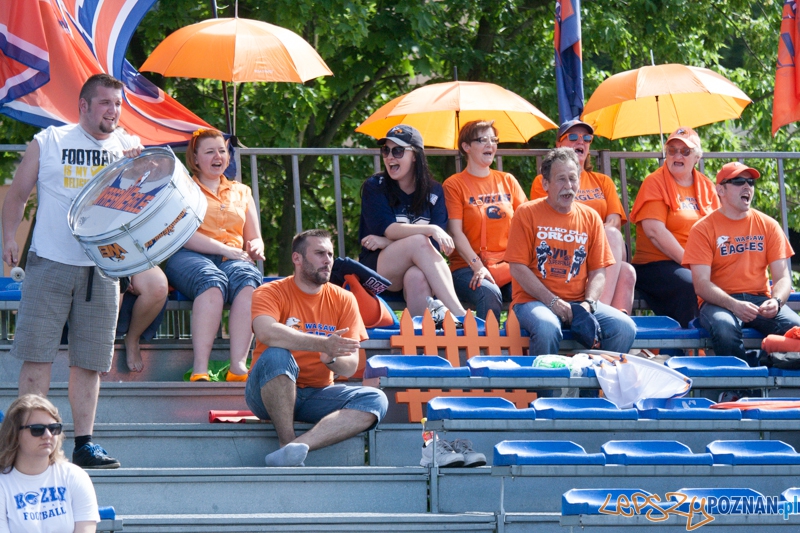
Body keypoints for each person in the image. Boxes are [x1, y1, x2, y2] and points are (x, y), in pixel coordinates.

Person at [2, 73, 143, 469]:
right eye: (104, 103)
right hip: (49, 261)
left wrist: (139, 167)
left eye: (118, 104)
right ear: (83, 105)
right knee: (37, 356)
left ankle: (84, 443)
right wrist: (8, 238)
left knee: (91, 361)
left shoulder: (129, 148)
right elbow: (16, 195)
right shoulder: (49, 141)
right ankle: (25, 442)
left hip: (102, 266)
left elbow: (142, 207)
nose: (113, 111)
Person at [246, 229, 388, 467]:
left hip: (317, 394)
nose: (328, 260)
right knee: (277, 353)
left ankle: (295, 449)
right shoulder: (269, 291)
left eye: (331, 254)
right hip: (265, 393)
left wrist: (330, 358)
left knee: (376, 399)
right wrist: (322, 342)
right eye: (320, 253)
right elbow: (266, 332)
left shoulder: (344, 298)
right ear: (297, 258)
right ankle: (286, 441)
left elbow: (351, 364)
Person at [505, 147, 636, 356]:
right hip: (532, 302)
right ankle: (546, 388)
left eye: (573, 179)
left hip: (578, 304)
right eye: (561, 179)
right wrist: (553, 302)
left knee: (625, 328)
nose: (568, 186)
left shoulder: (591, 217)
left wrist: (589, 303)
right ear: (545, 183)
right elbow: (517, 268)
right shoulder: (526, 213)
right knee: (548, 328)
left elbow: (599, 271)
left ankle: (594, 388)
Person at [164, 128, 264, 382]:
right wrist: (223, 249)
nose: (217, 156)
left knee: (247, 281)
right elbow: (181, 234)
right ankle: (200, 368)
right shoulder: (182, 188)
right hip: (189, 255)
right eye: (209, 152)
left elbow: (253, 236)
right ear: (195, 158)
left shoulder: (242, 191)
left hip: (232, 257)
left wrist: (256, 246)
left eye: (222, 151)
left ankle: (238, 367)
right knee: (211, 281)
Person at [683, 162, 800, 361]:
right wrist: (734, 305)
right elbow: (701, 285)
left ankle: (761, 362)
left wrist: (777, 301)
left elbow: (782, 278)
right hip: (719, 302)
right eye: (738, 181)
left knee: (796, 329)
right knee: (725, 328)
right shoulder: (702, 228)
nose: (747, 187)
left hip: (760, 299)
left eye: (750, 182)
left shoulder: (769, 225)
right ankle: (738, 389)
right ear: (720, 190)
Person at [359, 124, 468, 318]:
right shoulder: (375, 186)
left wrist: (387, 242)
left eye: (398, 150)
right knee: (420, 241)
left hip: (417, 268)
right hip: (379, 270)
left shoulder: (434, 191)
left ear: (415, 155)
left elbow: (435, 244)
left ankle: (422, 343)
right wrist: (429, 229)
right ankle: (461, 316)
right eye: (386, 150)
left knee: (416, 277)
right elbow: (389, 229)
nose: (390, 156)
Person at [530, 120, 636, 313]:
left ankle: (605, 323)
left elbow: (614, 220)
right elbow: (546, 219)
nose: (581, 141)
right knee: (626, 271)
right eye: (573, 137)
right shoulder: (545, 182)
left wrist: (594, 235)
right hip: (565, 245)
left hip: (600, 246)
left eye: (586, 138)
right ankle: (599, 314)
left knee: (614, 238)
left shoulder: (603, 181)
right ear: (559, 145)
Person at [629, 126, 720, 327]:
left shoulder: (706, 186)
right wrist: (692, 264)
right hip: (656, 264)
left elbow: (720, 230)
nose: (677, 155)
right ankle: (691, 348)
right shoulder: (654, 182)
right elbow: (655, 232)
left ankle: (727, 343)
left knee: (733, 281)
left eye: (685, 151)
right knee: (692, 284)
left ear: (697, 158)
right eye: (672, 150)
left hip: (696, 264)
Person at [443, 120, 527, 320]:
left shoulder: (507, 180)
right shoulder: (454, 185)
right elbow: (455, 232)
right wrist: (477, 266)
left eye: (494, 140)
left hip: (506, 267)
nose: (490, 145)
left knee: (529, 292)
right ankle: (486, 349)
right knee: (489, 293)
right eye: (482, 140)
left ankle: (521, 348)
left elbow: (527, 223)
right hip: (466, 267)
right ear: (466, 147)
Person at [0, 394, 99, 532]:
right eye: (37, 429)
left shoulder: (75, 476)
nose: (48, 435)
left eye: (54, 428)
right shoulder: (3, 483)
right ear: (14, 434)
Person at [117, 268, 169, 373]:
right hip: (91, 261)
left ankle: (132, 339)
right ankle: (101, 344)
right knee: (113, 285)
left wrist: (127, 271)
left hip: (128, 257)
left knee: (158, 286)